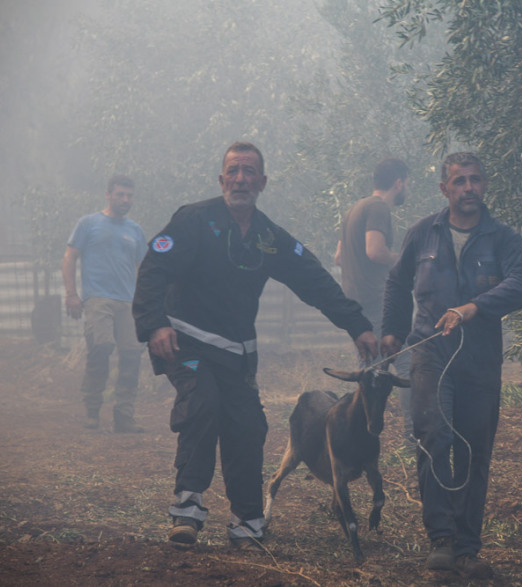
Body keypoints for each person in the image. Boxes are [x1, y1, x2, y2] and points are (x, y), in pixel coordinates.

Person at [132, 141, 379, 548]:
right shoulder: (193, 220)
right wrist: (154, 324)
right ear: (221, 179)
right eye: (233, 171)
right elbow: (154, 267)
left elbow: (314, 281)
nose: (241, 179)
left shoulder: (269, 237)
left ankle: (247, 521)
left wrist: (358, 325)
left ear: (262, 182)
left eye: (249, 172)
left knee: (248, 426)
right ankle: (187, 510)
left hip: (238, 355)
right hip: (187, 345)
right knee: (202, 405)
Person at [381, 152, 522, 579]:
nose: (469, 187)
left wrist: (473, 307)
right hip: (430, 353)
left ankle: (467, 548)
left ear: (485, 185)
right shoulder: (422, 234)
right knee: (434, 436)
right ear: (444, 188)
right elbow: (396, 281)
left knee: (474, 450)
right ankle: (441, 540)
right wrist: (392, 331)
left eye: (475, 180)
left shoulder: (502, 237)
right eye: (460, 181)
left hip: (481, 359)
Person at [334, 158, 413, 441]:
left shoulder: (354, 209)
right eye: (407, 184)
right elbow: (375, 251)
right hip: (377, 303)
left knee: (368, 373)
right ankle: (413, 438)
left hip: (356, 307)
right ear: (399, 183)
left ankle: (358, 438)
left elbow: (339, 257)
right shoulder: (379, 208)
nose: (407, 189)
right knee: (407, 363)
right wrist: (405, 259)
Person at [62, 174, 148, 433]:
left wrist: (146, 301)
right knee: (101, 345)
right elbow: (70, 257)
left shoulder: (135, 230)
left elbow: (144, 267)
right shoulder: (89, 223)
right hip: (98, 297)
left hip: (128, 301)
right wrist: (71, 294)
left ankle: (124, 416)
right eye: (120, 194)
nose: (125, 200)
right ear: (108, 195)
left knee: (132, 355)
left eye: (129, 196)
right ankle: (92, 409)